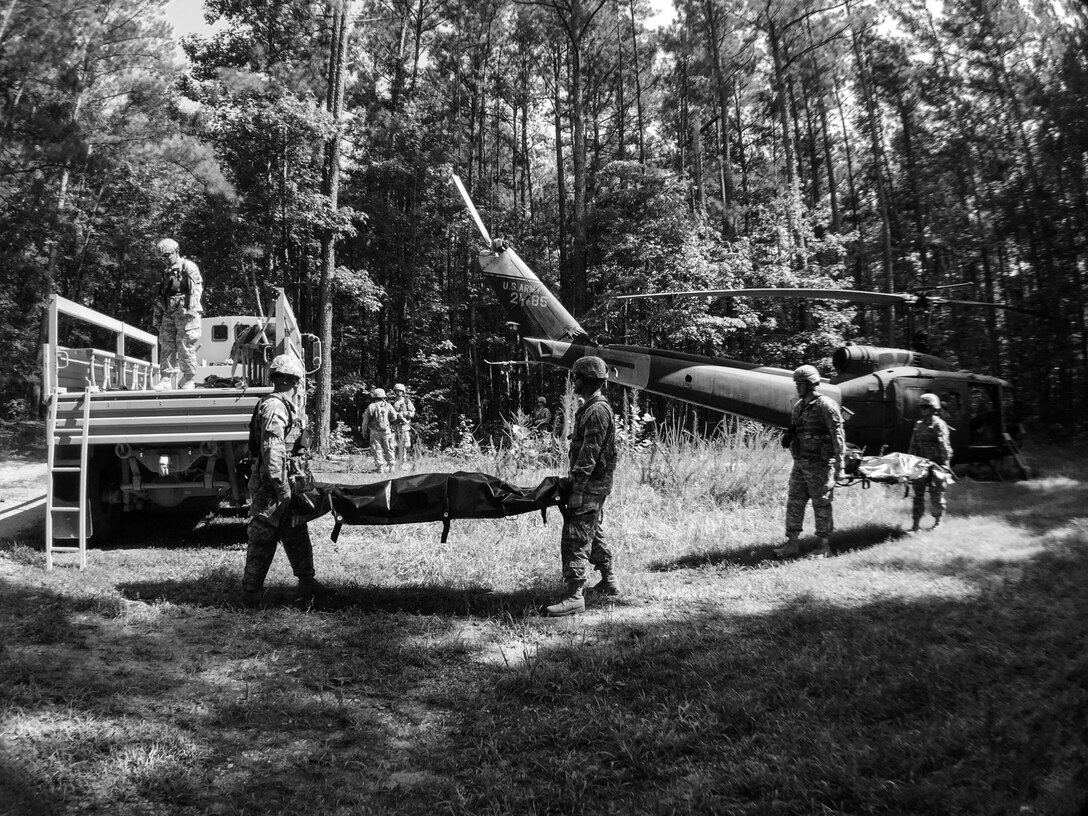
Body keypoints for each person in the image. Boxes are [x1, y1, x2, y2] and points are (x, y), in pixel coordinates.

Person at [241, 354, 319, 604]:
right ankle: (251, 592)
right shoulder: (275, 407)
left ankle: (307, 583)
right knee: (263, 536)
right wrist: (281, 487)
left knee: (296, 530)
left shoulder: (282, 406)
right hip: (274, 486)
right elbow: (272, 449)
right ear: (296, 381)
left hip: (287, 482)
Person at [546, 355, 618, 617]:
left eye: (576, 376)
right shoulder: (591, 408)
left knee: (575, 537)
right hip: (593, 484)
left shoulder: (597, 410)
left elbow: (590, 453)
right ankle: (609, 582)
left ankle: (574, 596)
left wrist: (577, 490)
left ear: (587, 379)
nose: (573, 381)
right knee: (592, 531)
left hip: (589, 486)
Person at [775, 364, 845, 559]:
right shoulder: (799, 407)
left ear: (810, 384)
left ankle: (824, 546)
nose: (797, 387)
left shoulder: (826, 406)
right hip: (801, 463)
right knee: (794, 501)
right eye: (796, 383)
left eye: (800, 383)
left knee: (821, 503)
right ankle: (792, 543)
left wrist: (841, 466)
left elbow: (838, 437)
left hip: (820, 464)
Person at [152, 238, 203, 391]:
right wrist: (158, 316)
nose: (164, 259)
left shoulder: (188, 267)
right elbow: (161, 296)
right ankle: (166, 379)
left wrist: (190, 309)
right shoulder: (166, 272)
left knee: (185, 345)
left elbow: (196, 290)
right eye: (162, 257)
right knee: (166, 345)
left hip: (186, 314)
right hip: (169, 313)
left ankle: (189, 378)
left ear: (176, 252)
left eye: (167, 255)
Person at [908, 392, 953, 531]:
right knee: (918, 495)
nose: (923, 410)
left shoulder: (939, 425)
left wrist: (945, 466)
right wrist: (910, 463)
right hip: (920, 464)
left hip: (936, 464)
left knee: (937, 495)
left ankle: (937, 522)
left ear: (934, 408)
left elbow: (944, 447)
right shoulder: (919, 425)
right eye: (921, 407)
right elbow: (913, 445)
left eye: (926, 407)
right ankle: (915, 524)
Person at [363, 387, 397, 474]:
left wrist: (364, 431)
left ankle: (380, 469)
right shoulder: (388, 406)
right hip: (387, 431)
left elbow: (365, 420)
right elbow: (394, 417)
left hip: (375, 432)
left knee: (377, 449)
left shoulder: (372, 406)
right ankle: (392, 468)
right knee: (389, 449)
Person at [391, 383, 416, 465]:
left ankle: (402, 461)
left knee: (405, 444)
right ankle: (393, 462)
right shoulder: (392, 401)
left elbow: (412, 413)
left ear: (403, 392)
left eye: (400, 391)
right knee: (393, 445)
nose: (399, 393)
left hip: (404, 426)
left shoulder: (406, 401)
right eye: (397, 391)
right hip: (394, 426)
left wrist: (405, 413)